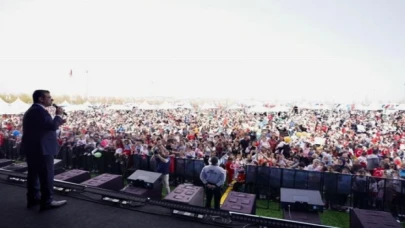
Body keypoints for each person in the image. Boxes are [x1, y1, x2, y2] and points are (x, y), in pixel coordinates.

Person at [21, 90, 67, 211]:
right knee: (46, 175)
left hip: (33, 148)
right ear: (41, 99)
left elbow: (44, 127)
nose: (51, 100)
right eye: (49, 97)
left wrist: (57, 122)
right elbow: (51, 126)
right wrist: (58, 115)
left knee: (33, 174)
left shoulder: (33, 110)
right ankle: (47, 201)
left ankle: (33, 198)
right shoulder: (39, 111)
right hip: (42, 149)